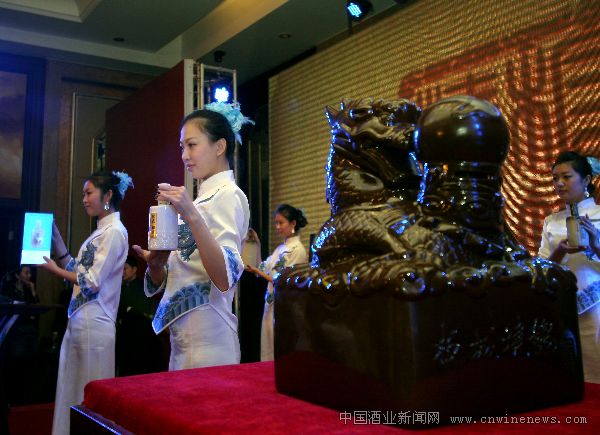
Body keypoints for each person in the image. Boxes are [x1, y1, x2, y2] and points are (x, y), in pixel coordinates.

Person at [133, 102, 251, 370]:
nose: (184, 155)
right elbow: (178, 278)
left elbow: (224, 277)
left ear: (219, 147)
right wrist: (156, 265)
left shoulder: (229, 195)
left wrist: (190, 215)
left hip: (210, 341)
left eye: (192, 145)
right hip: (183, 341)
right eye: (181, 147)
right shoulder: (199, 202)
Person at [40, 170, 133, 435]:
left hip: (96, 321)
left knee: (89, 395)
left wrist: (55, 271)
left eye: (89, 193)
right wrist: (57, 241)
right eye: (83, 193)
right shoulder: (101, 232)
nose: (84, 199)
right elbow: (78, 270)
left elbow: (91, 281)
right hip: (81, 320)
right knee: (70, 389)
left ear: (108, 195)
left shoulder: (114, 232)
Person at [538, 151, 600, 383]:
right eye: (555, 178)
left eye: (566, 177)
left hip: (597, 305)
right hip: (564, 306)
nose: (559, 184)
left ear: (586, 180)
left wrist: (596, 244)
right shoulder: (551, 221)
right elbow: (542, 267)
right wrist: (560, 251)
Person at [245, 204, 308, 361]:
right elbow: (262, 267)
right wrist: (257, 244)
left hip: (284, 306)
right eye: (276, 223)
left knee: (280, 347)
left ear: (293, 224)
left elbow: (284, 281)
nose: (277, 227)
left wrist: (259, 272)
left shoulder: (297, 250)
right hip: (271, 303)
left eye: (281, 223)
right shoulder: (280, 249)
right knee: (268, 345)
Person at [116, 255, 162, 375]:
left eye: (125, 268)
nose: (122, 273)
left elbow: (144, 311)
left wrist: (131, 310)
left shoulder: (145, 286)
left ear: (134, 269)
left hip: (143, 337)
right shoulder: (118, 289)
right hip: (125, 338)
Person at [0, 265, 40, 404]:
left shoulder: (28, 289)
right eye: (26, 273)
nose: (29, 276)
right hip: (15, 331)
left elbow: (36, 306)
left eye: (30, 273)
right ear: (18, 275)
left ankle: (24, 398)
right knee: (15, 364)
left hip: (29, 330)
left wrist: (33, 290)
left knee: (28, 364)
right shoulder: (9, 288)